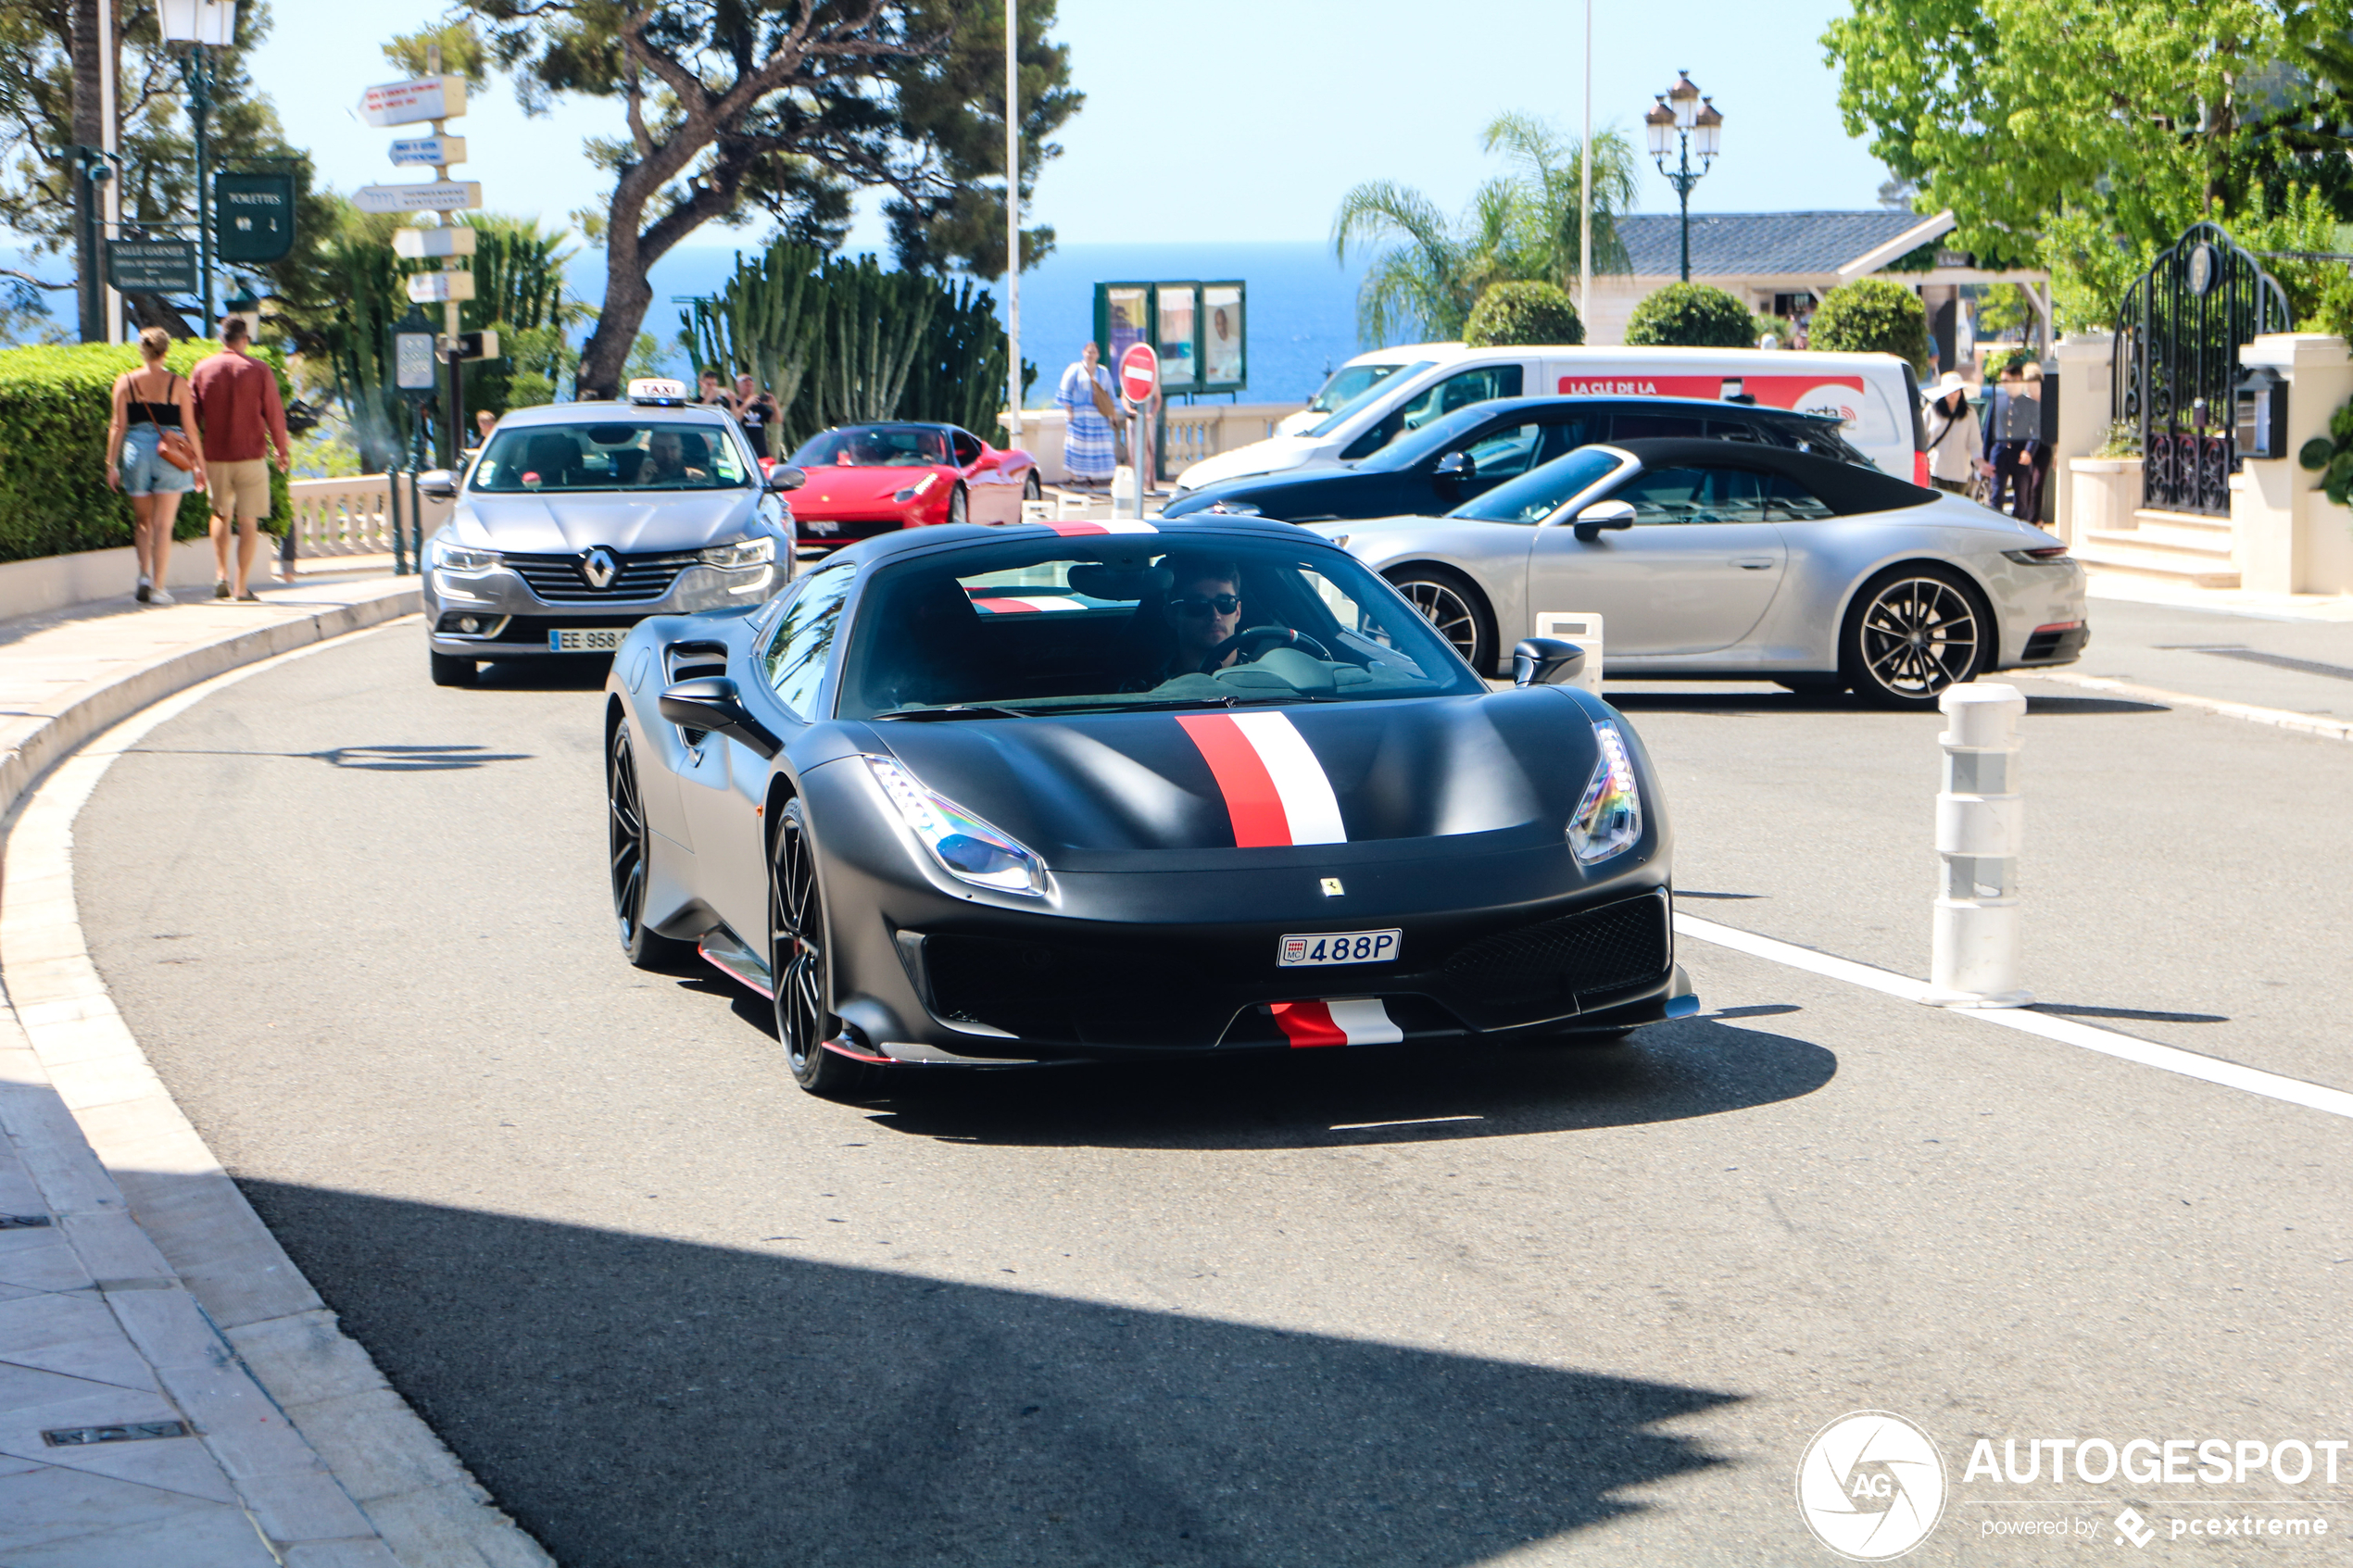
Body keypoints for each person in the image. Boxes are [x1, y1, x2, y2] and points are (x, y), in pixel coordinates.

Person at [190, 314, 290, 601]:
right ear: (244, 339)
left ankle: (221, 573)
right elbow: (274, 415)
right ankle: (241, 587)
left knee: (220, 513)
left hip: (216, 457)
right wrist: (281, 451)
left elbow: (192, 419)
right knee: (248, 522)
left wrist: (196, 459)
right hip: (251, 458)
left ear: (222, 339)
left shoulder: (202, 369)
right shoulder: (259, 370)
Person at [105, 327, 206, 605]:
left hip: (135, 452)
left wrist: (111, 464)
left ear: (142, 350)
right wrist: (199, 465)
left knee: (143, 523)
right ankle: (159, 588)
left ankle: (144, 575)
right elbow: (191, 429)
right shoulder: (178, 384)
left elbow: (118, 426)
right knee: (164, 525)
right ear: (165, 351)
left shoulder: (124, 382)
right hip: (168, 454)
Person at [1143, 556, 1244, 684]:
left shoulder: (1267, 681)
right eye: (1198, 605)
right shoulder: (1146, 692)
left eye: (1225, 603)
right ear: (1172, 614)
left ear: (1238, 611)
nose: (1215, 615)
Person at [1982, 360, 2045, 523]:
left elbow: (2035, 431)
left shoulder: (2030, 404)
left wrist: (2029, 451)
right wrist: (1985, 459)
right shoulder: (1998, 401)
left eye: (2007, 381)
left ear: (2018, 379)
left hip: (2020, 456)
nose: (2004, 385)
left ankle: (2019, 532)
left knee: (2021, 499)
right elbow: (1989, 431)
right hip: (2000, 454)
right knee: (1996, 497)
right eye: (2002, 381)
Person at [1056, 342, 1120, 487]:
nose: (1091, 355)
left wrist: (1113, 414)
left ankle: (1093, 476)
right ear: (1083, 353)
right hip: (1080, 416)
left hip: (1098, 416)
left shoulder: (1103, 372)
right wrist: (1069, 412)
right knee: (1077, 446)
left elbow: (1110, 394)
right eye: (1089, 352)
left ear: (1098, 355)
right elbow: (1065, 390)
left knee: (1096, 447)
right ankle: (1076, 476)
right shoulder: (1075, 370)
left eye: (1094, 353)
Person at [1921, 370, 1984, 496]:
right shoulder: (1931, 411)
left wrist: (1980, 462)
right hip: (1936, 470)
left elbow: (1975, 443)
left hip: (1960, 473)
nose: (1953, 394)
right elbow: (1921, 438)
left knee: (1956, 511)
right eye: (1949, 391)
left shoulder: (1969, 413)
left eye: (1956, 390)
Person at [635, 429, 710, 486]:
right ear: (652, 450)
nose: (668, 454)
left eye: (673, 448)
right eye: (661, 449)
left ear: (681, 449)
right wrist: (641, 483)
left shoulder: (701, 471)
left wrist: (700, 482)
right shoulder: (642, 473)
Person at [734, 372, 778, 460]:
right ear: (737, 386)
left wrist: (774, 406)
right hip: (742, 453)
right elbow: (734, 419)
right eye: (746, 385)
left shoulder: (759, 406)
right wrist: (746, 404)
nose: (749, 388)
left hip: (761, 453)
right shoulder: (733, 404)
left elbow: (778, 420)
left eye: (751, 385)